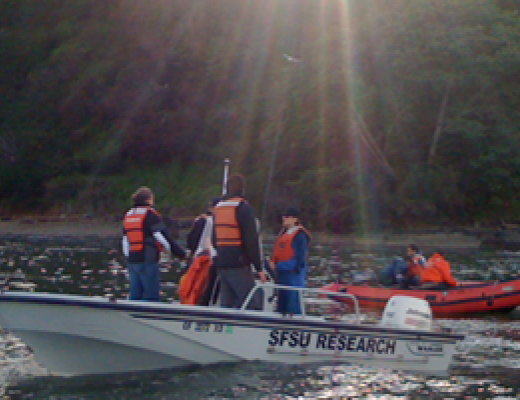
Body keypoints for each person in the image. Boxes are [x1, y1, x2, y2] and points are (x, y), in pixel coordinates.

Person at [212, 174, 267, 309]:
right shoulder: (243, 208)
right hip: (238, 263)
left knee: (227, 303)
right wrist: (259, 268)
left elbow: (214, 238)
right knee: (252, 302)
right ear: (242, 189)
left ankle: (226, 328)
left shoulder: (219, 208)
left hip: (222, 262)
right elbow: (251, 241)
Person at [122, 186, 186, 301]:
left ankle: (132, 315)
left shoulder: (129, 215)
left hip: (132, 260)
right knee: (151, 295)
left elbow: (125, 241)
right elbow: (162, 237)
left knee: (134, 294)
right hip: (148, 260)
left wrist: (128, 257)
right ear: (148, 200)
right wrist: (179, 254)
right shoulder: (151, 215)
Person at [269, 208, 311, 315]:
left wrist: (277, 266)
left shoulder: (300, 235)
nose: (284, 219)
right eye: (283, 216)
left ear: (295, 219)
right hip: (282, 275)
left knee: (293, 305)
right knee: (281, 306)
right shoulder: (284, 234)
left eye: (287, 216)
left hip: (293, 276)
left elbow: (299, 260)